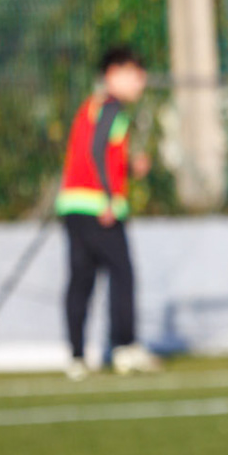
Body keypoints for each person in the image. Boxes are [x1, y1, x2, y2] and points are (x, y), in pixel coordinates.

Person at [57, 44, 160, 379]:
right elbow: (97, 149)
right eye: (135, 74)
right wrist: (109, 198)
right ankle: (125, 347)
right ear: (113, 74)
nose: (141, 81)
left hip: (73, 204)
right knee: (122, 273)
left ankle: (76, 356)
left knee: (81, 279)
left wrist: (128, 167)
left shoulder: (92, 105)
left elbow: (94, 153)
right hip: (99, 206)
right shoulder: (113, 108)